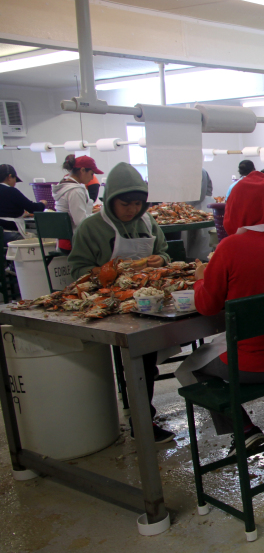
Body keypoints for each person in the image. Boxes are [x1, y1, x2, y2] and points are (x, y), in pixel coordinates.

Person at [184, 171, 264, 454]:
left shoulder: (229, 248)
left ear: (234, 208)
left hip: (253, 365)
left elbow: (207, 306)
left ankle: (242, 428)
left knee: (190, 366)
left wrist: (199, 279)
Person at [68, 163, 174, 443]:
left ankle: (142, 415)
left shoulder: (148, 223)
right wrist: (102, 271)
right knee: (134, 361)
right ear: (111, 199)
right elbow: (76, 269)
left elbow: (165, 253)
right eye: (125, 203)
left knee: (146, 359)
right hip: (108, 304)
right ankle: (138, 417)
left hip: (145, 300)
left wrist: (159, 259)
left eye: (137, 203)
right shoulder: (91, 228)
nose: (131, 209)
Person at [54, 154, 103, 251]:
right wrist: (100, 216)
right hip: (74, 242)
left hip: (63, 241)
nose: (92, 178)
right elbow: (80, 221)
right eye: (92, 173)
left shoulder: (63, 185)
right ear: (83, 170)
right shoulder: (75, 191)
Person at [0, 164, 46, 251]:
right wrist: (43, 204)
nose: (14, 184)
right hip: (10, 235)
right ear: (9, 177)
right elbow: (34, 208)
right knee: (39, 243)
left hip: (2, 234)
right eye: (15, 180)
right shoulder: (11, 191)